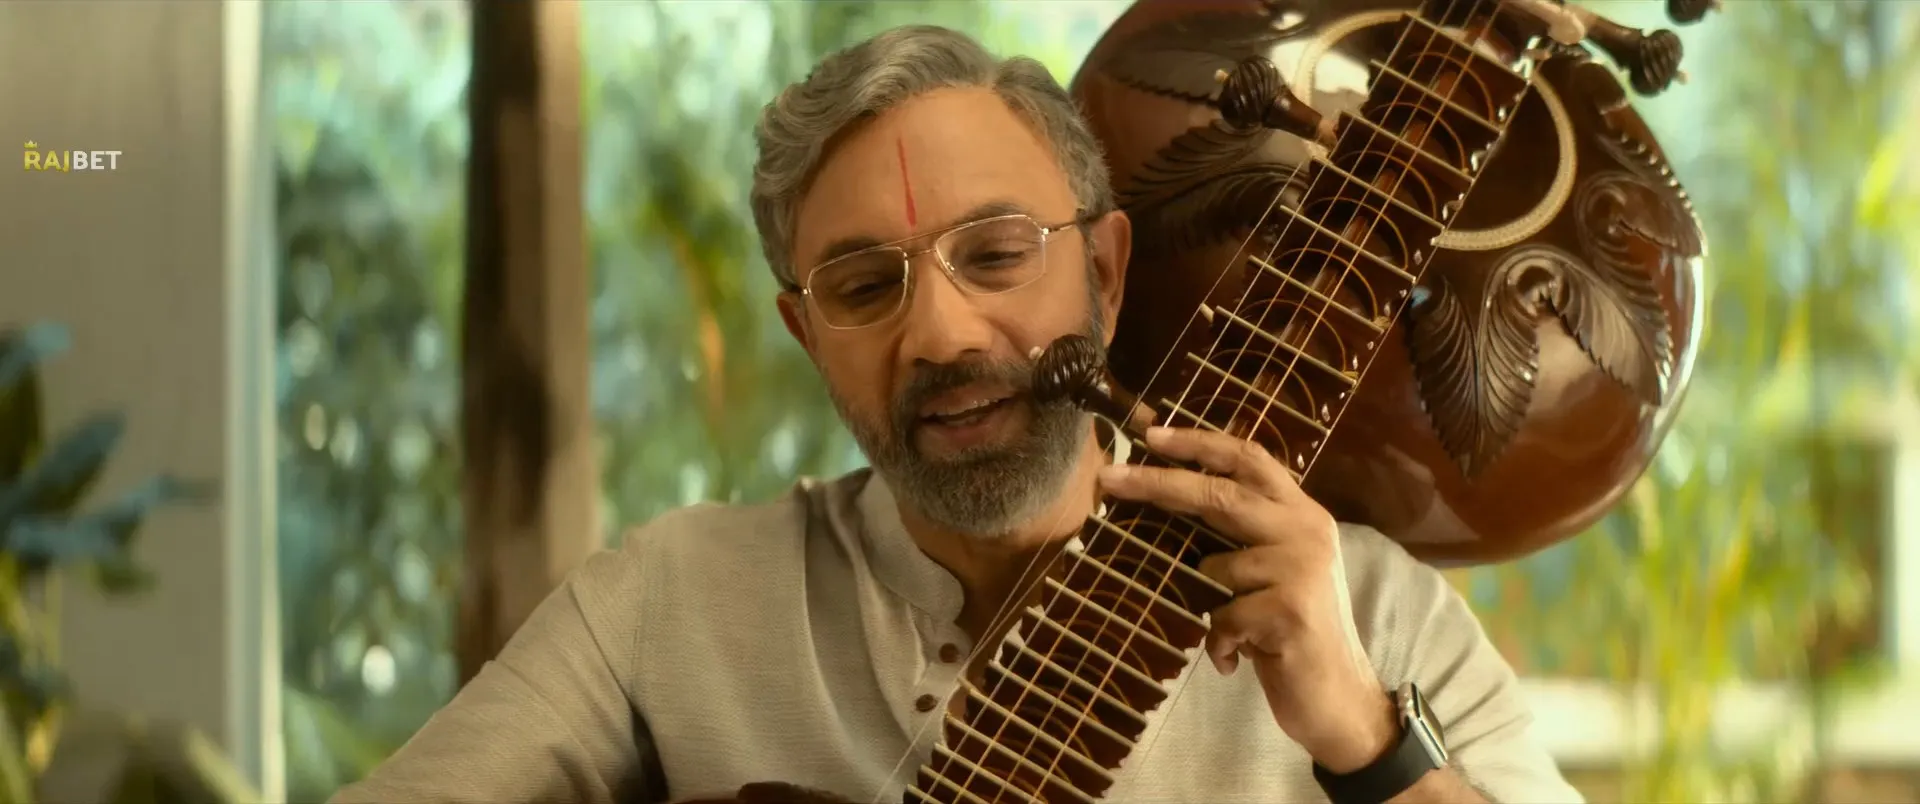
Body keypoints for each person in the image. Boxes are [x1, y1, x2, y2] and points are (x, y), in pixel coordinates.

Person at [333, 24, 1583, 804]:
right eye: (863, 286)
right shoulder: (672, 607)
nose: (940, 335)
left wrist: (1365, 736)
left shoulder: (1370, 617)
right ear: (806, 335)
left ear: (1105, 274)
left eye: (996, 255)